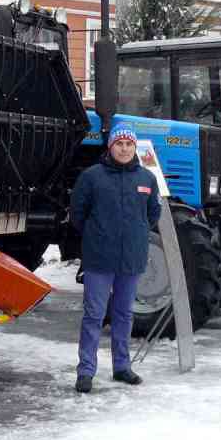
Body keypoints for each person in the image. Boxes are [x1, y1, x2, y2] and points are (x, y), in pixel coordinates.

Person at [70, 122, 161, 394]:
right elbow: (77, 214)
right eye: (119, 144)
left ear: (135, 147)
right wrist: (97, 235)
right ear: (110, 147)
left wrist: (137, 232)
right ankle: (86, 371)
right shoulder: (92, 177)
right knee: (94, 314)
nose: (124, 148)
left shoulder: (146, 179)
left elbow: (152, 213)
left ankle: (122, 367)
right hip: (99, 257)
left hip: (131, 258)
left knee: (124, 313)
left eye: (128, 144)